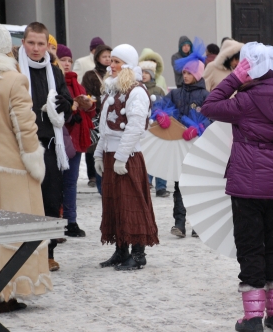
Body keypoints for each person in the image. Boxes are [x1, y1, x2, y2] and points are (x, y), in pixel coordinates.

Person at [201, 42, 273, 332]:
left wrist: (235, 78)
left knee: (250, 247)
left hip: (246, 184)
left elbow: (209, 106)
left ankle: (252, 319)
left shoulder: (245, 100)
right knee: (271, 244)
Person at [0, 21, 52, 315]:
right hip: (11, 170)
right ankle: (6, 292)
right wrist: (35, 163)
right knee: (13, 233)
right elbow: (25, 129)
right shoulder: (13, 81)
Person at [95, 44, 159, 271]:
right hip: (112, 154)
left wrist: (121, 156)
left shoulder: (137, 91)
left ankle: (138, 253)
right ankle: (121, 250)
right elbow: (104, 127)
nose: (111, 65)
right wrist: (99, 154)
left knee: (132, 203)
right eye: (110, 61)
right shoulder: (113, 90)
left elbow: (135, 128)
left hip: (128, 156)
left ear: (128, 65)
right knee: (115, 204)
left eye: (116, 62)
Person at [17, 22, 73, 272]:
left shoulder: (55, 71)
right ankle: (23, 253)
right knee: (23, 202)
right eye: (32, 43)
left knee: (51, 201)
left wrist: (66, 104)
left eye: (41, 44)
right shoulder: (14, 70)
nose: (36, 48)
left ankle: (48, 252)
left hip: (50, 144)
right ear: (23, 43)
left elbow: (66, 104)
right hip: (20, 146)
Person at [159, 39, 210, 238]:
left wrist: (199, 127)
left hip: (198, 147)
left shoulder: (206, 95)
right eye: (184, 72)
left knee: (197, 186)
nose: (185, 75)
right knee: (179, 187)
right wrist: (162, 115)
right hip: (178, 146)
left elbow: (213, 118)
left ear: (197, 74)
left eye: (189, 72)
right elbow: (161, 107)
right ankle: (179, 224)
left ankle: (198, 224)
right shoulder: (176, 93)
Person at [57, 44, 96, 237]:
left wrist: (87, 106)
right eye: (62, 59)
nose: (66, 64)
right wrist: (70, 108)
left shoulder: (77, 84)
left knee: (70, 182)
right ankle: (56, 220)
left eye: (68, 61)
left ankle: (70, 221)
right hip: (58, 138)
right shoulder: (53, 81)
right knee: (54, 182)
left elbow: (89, 113)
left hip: (75, 139)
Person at [82, 44, 112, 192]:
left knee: (110, 151)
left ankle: (110, 184)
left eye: (109, 57)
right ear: (97, 58)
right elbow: (87, 96)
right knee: (97, 150)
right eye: (104, 57)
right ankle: (99, 183)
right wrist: (101, 101)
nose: (107, 60)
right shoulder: (90, 75)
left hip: (114, 117)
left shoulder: (115, 74)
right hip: (97, 116)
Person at [138, 59, 169, 198]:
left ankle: (161, 186)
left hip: (157, 127)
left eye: (147, 72)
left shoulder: (158, 90)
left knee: (160, 156)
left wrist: (162, 116)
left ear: (152, 74)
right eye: (142, 72)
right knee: (146, 156)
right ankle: (147, 182)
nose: (144, 75)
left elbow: (166, 107)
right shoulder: (137, 89)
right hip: (143, 128)